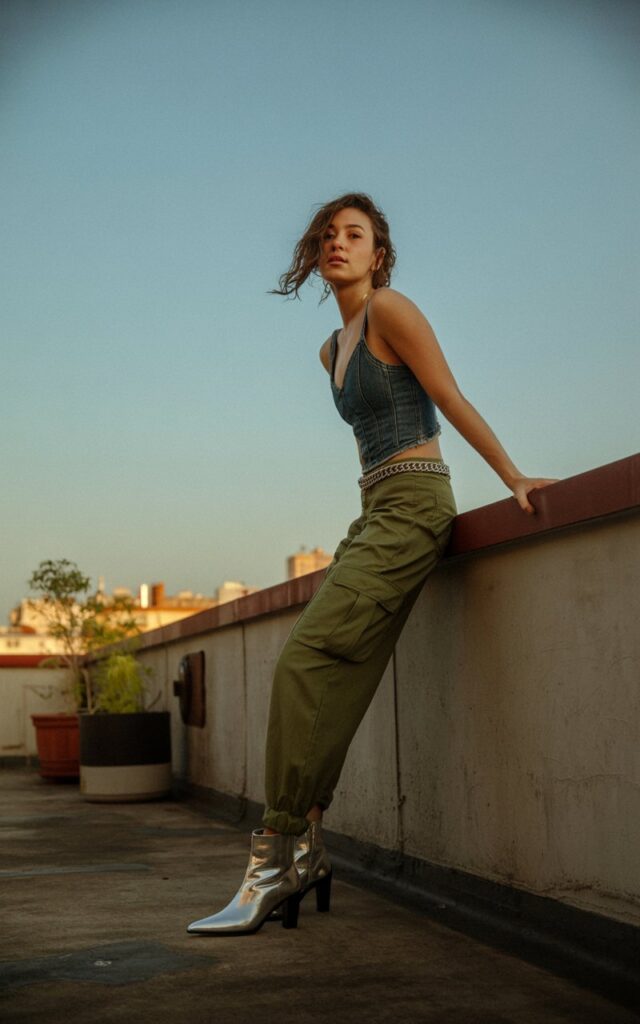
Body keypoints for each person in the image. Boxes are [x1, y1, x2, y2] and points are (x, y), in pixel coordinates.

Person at [187, 192, 557, 936]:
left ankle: (271, 857)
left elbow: (447, 397)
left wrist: (512, 475)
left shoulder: (392, 311)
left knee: (300, 663)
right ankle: (310, 849)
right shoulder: (331, 348)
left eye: (353, 234)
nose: (337, 243)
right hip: (373, 514)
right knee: (340, 677)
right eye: (328, 234)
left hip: (419, 507)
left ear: (378, 254)